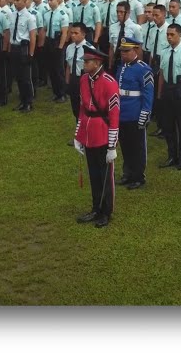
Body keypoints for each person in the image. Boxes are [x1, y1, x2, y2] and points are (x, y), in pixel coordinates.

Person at [74, 46, 120, 229]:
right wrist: (78, 135)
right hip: (89, 132)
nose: (84, 64)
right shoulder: (84, 80)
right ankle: (95, 208)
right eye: (84, 61)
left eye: (87, 61)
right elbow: (82, 108)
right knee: (93, 173)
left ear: (98, 63)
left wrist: (112, 146)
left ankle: (106, 211)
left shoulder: (109, 82)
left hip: (103, 132)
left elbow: (114, 115)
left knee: (105, 175)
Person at [115, 37, 155, 190]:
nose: (123, 54)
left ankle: (138, 176)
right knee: (125, 145)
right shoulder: (121, 67)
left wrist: (145, 112)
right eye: (122, 51)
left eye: (127, 51)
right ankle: (128, 173)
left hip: (135, 112)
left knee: (137, 146)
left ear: (136, 51)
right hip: (122, 113)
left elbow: (148, 93)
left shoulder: (143, 69)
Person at [157, 22, 181, 170]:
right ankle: (172, 155)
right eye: (167, 34)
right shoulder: (164, 52)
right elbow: (161, 75)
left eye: (172, 34)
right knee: (168, 126)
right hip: (167, 90)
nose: (169, 37)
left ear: (180, 35)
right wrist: (159, 95)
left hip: (180, 91)